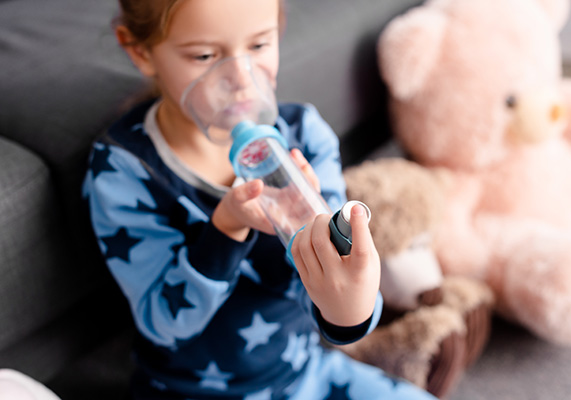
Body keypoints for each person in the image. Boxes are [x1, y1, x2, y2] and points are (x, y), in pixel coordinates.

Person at [83, 0, 438, 399]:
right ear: (139, 51)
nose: (239, 78)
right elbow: (165, 322)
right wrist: (226, 228)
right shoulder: (126, 170)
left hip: (304, 375)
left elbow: (333, 291)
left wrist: (350, 308)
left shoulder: (305, 135)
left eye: (258, 46)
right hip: (188, 392)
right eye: (204, 55)